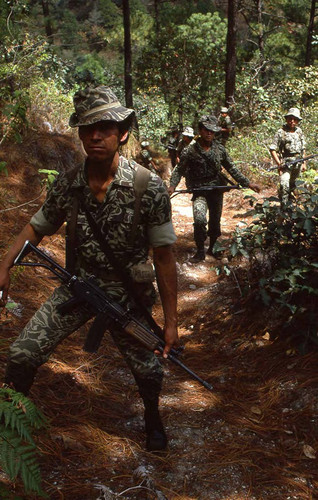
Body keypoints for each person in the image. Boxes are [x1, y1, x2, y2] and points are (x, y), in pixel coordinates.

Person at [0, 86, 179, 452]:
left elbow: (164, 257)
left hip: (129, 296)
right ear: (80, 134)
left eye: (105, 128)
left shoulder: (149, 187)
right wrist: (4, 266)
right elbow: (36, 228)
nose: (95, 136)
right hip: (79, 288)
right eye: (87, 128)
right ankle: (10, 420)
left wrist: (172, 321)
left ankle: (151, 416)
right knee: (21, 355)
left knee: (149, 370)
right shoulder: (69, 184)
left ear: (122, 132)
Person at [168, 115, 260, 263]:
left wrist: (248, 183)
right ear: (200, 130)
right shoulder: (190, 150)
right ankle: (199, 251)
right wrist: (172, 186)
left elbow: (232, 168)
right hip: (199, 191)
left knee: (215, 220)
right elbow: (179, 170)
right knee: (199, 220)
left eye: (212, 131)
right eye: (206, 130)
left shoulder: (219, 149)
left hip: (216, 189)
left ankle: (212, 248)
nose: (209, 133)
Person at [269, 107, 306, 207]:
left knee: (293, 185)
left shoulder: (299, 131)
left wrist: (304, 163)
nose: (292, 121)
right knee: (284, 184)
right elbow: (272, 149)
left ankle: (293, 207)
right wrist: (279, 163)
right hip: (286, 163)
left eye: (295, 119)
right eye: (290, 118)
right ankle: (284, 207)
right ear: (286, 119)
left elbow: (303, 148)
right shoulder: (281, 132)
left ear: (298, 120)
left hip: (298, 163)